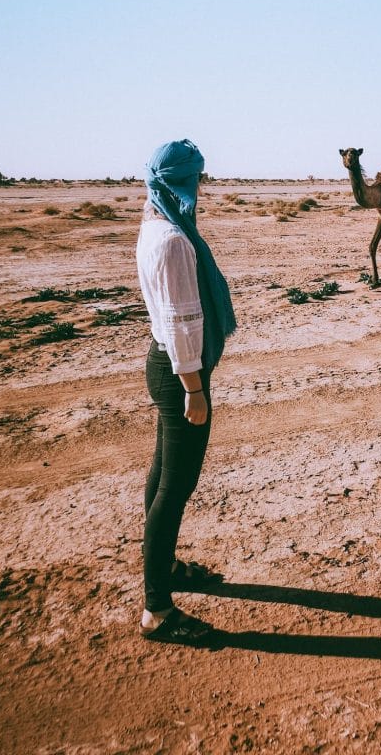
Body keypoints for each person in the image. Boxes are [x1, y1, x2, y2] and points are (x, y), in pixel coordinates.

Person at [136, 139, 236, 644]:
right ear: (184, 181)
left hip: (168, 367)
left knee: (161, 477)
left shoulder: (154, 226)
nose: (201, 186)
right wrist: (195, 390)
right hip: (180, 374)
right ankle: (157, 610)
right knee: (174, 489)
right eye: (197, 178)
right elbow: (180, 324)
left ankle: (168, 568)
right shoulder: (174, 242)